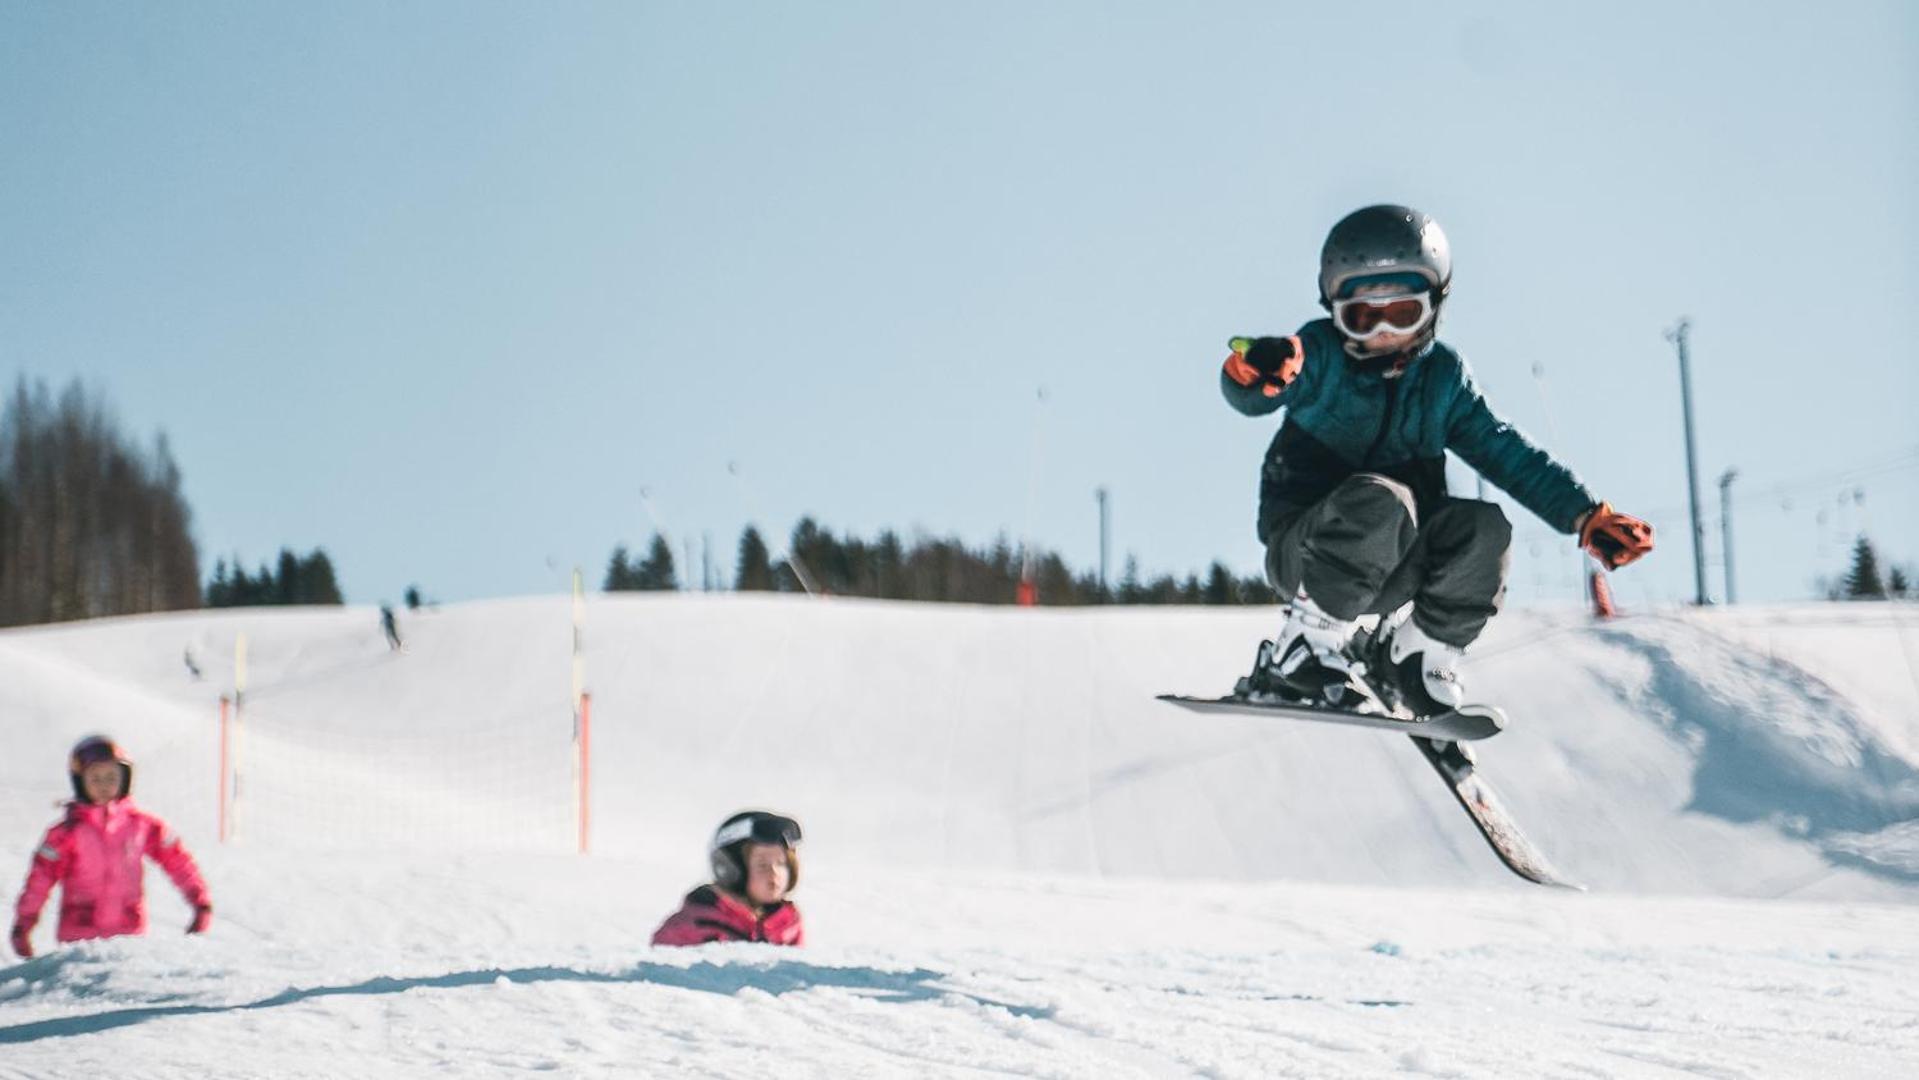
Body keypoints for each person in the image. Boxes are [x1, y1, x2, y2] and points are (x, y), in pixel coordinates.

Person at [1221, 204, 1653, 715]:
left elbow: (1504, 451)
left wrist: (1584, 515)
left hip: (1398, 562)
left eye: (1402, 313)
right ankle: (1302, 646)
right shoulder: (1317, 355)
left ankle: (1416, 656)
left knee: (1485, 530)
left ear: (1434, 307)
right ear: (1334, 312)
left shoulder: (1442, 379)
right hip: (1308, 554)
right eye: (1362, 317)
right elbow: (1255, 393)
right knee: (1384, 499)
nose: (1382, 331)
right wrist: (1254, 372)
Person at [10, 736, 213, 959]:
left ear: (125, 778)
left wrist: (200, 902)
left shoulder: (142, 826)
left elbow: (178, 861)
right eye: (95, 778)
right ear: (80, 781)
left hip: (128, 940)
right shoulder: (65, 833)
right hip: (79, 942)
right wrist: (24, 923)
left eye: (111, 777)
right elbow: (40, 879)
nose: (104, 786)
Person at [651, 811, 804, 947]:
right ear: (729, 869)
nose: (774, 872)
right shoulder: (694, 925)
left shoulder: (787, 926)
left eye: (782, 864)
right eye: (762, 865)